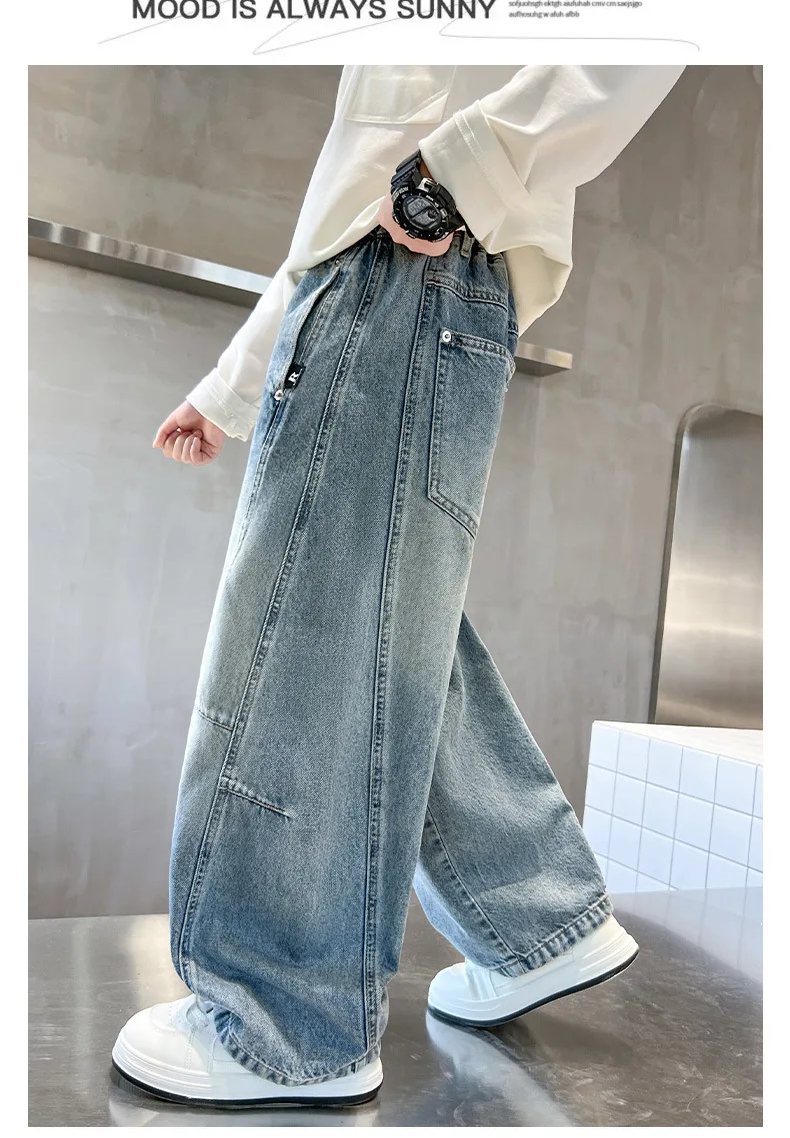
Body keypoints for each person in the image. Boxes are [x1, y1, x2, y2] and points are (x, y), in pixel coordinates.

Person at [112, 64, 685, 1108]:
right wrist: (235, 381)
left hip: (410, 264)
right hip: (395, 269)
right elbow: (346, 190)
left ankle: (288, 1024)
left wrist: (457, 171)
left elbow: (646, 27)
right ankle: (530, 911)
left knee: (315, 635)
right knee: (376, 613)